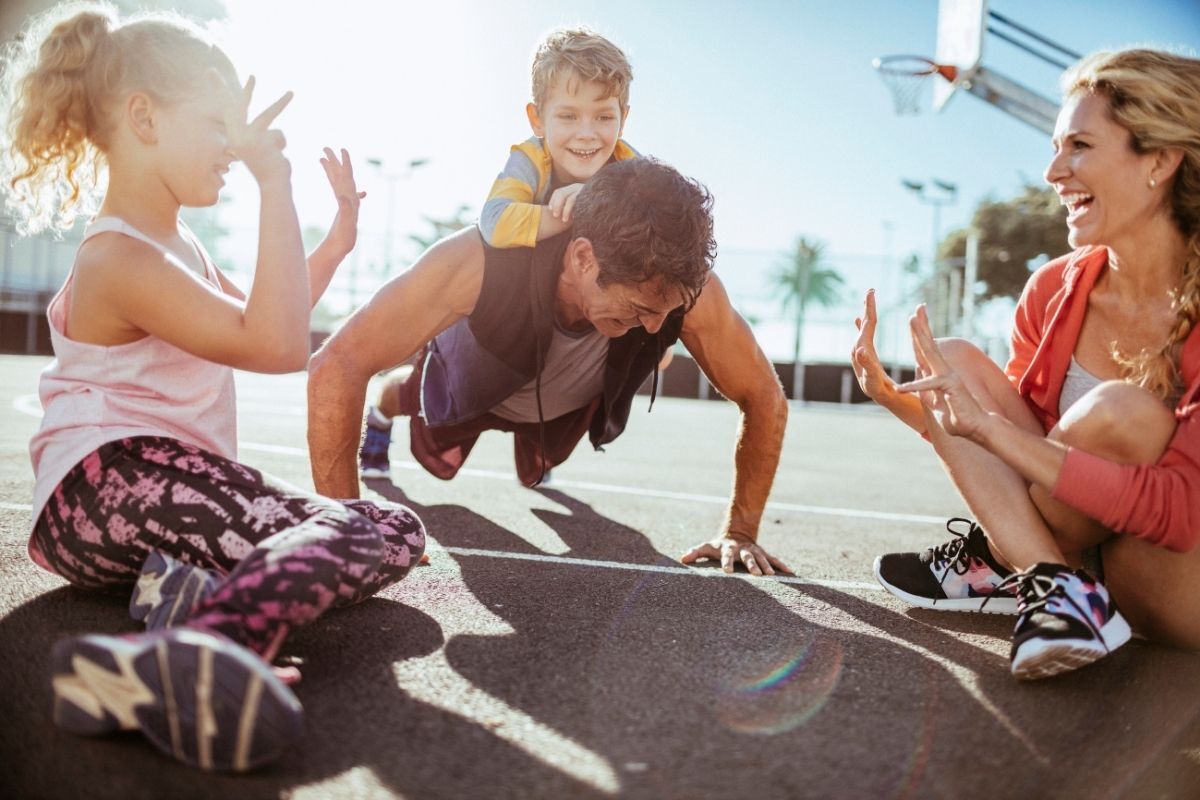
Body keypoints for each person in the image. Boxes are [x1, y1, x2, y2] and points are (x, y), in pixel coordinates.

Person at [2, 3, 425, 770]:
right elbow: (275, 343)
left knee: (391, 530)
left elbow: (267, 308)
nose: (233, 147)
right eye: (218, 125)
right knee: (364, 530)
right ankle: (210, 648)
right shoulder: (120, 259)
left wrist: (333, 243)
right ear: (145, 117)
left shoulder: (176, 247)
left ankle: (166, 625)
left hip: (126, 505)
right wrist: (273, 181)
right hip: (110, 484)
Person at [852, 48, 1200, 680]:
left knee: (1121, 415)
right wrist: (905, 403)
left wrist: (990, 433)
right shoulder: (1054, 289)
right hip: (1091, 551)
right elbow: (1018, 471)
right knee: (952, 359)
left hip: (1179, 571)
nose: (1051, 172)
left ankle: (1013, 569)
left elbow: (1180, 509)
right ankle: (1055, 587)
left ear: (1160, 161)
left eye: (1079, 146)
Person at [308, 157, 792, 577]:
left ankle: (534, 441)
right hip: (472, 378)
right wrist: (350, 531)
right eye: (640, 307)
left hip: (558, 406)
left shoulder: (690, 294)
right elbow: (337, 362)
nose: (654, 327)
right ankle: (382, 415)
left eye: (666, 313)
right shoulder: (478, 261)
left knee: (541, 463)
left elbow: (765, 395)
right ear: (583, 257)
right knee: (407, 395)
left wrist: (742, 531)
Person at [360, 26, 639, 479]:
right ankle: (379, 417)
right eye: (567, 115)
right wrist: (563, 213)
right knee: (418, 391)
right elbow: (494, 222)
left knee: (551, 401)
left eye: (603, 117)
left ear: (623, 118)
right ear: (537, 118)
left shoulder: (631, 172)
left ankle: (534, 444)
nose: (587, 134)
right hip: (489, 330)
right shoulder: (530, 161)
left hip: (557, 334)